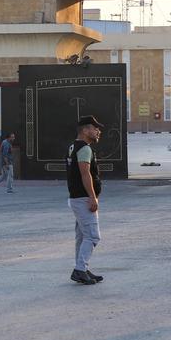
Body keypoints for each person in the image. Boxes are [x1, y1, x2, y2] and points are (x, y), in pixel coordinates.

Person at [67, 115, 105, 286]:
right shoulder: (84, 148)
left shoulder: (73, 146)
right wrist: (92, 197)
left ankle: (82, 268)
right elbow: (85, 174)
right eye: (94, 128)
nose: (98, 131)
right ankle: (80, 270)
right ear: (85, 130)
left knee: (82, 236)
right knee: (93, 236)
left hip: (76, 197)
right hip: (83, 199)